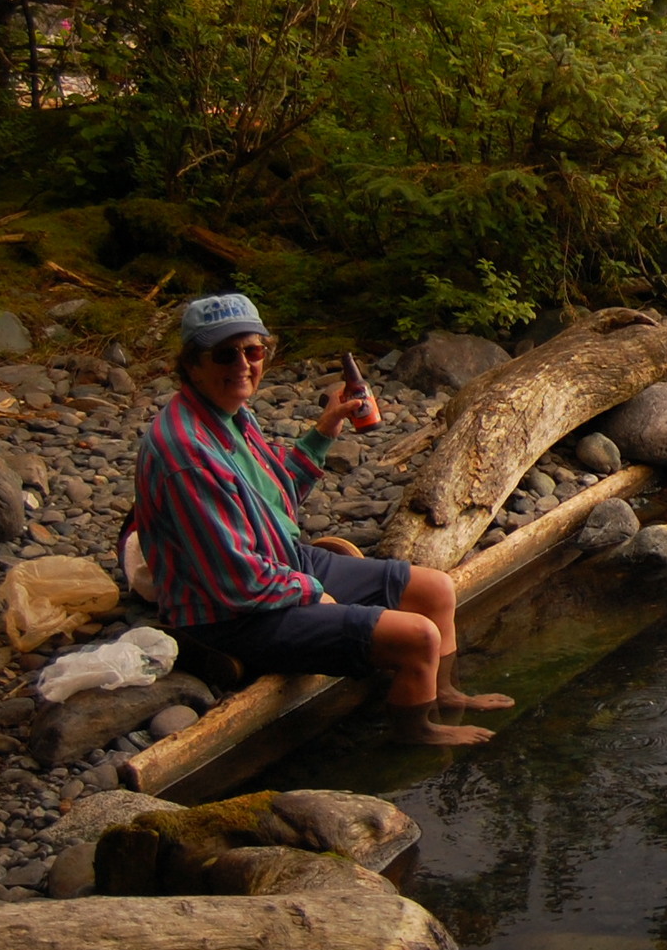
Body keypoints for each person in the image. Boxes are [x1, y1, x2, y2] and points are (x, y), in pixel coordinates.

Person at [130, 293, 512, 746]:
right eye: (225, 354)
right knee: (417, 638)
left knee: (436, 590)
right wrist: (315, 594)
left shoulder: (228, 414)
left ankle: (444, 691)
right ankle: (416, 732)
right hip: (229, 612)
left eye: (253, 351)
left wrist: (326, 430)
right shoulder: (188, 454)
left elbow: (278, 498)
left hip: (279, 562)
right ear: (193, 364)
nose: (243, 364)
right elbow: (237, 580)